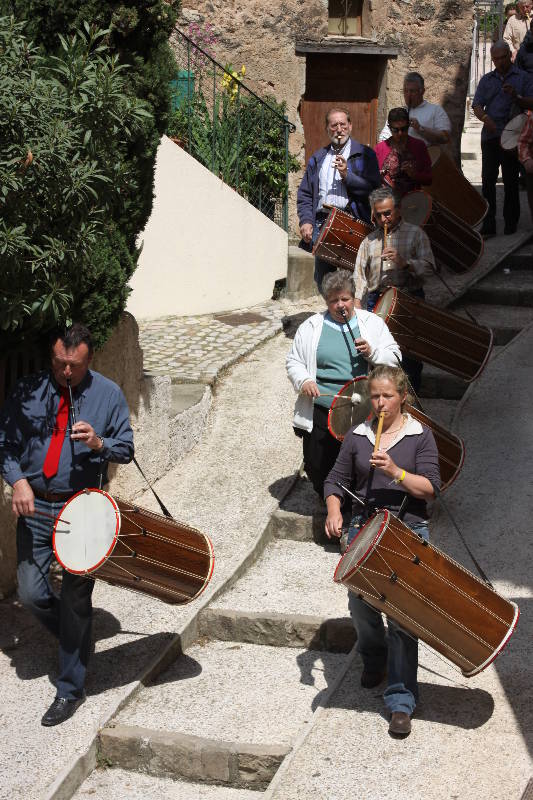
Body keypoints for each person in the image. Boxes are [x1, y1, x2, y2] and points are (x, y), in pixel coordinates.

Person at [0, 323, 134, 726]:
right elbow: (4, 444)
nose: (66, 372)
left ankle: (70, 688)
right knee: (31, 591)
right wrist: (18, 481)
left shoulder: (108, 394)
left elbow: (126, 449)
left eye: (74, 365)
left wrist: (99, 443)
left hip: (84, 509)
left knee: (76, 599)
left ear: (88, 359)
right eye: (59, 363)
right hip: (36, 506)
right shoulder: (28, 391)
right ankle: (76, 636)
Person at [324, 365, 441, 737]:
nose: (380, 403)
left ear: (402, 396)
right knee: (360, 605)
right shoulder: (358, 435)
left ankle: (401, 700)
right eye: (374, 396)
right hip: (365, 528)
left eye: (387, 396)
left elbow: (431, 489)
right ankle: (374, 657)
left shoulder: (419, 435)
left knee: (404, 617)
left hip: (408, 529)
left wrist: (395, 471)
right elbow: (335, 479)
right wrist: (333, 508)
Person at [286, 270, 400, 500]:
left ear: (353, 298)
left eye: (345, 299)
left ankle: (352, 508)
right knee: (317, 464)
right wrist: (305, 380)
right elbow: (294, 361)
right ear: (326, 301)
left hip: (363, 408)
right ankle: (327, 499)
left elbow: (395, 357)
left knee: (359, 462)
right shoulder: (311, 326)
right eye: (333, 300)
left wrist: (373, 352)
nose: (340, 305)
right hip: (322, 406)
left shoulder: (372, 323)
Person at [354, 186, 436, 392]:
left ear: (398, 210)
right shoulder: (368, 241)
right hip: (377, 301)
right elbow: (359, 278)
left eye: (388, 213)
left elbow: (429, 269)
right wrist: (356, 306)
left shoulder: (416, 234)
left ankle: (412, 406)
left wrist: (404, 263)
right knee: (378, 356)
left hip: (409, 299)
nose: (384, 220)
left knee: (410, 358)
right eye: (379, 215)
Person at [297, 107, 381, 290]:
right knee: (323, 279)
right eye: (334, 125)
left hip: (353, 220)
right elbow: (305, 194)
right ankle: (334, 314)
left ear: (350, 126)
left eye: (343, 124)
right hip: (322, 222)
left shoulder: (365, 155)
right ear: (327, 129)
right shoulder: (318, 158)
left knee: (355, 278)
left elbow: (374, 189)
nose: (339, 129)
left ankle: (353, 315)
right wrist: (305, 220)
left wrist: (347, 175)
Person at [472, 39, 533, 235]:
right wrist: (484, 117)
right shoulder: (487, 80)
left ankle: (510, 222)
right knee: (488, 181)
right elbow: (477, 104)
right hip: (490, 136)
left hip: (513, 138)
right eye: (495, 59)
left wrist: (517, 97)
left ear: (510, 56)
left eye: (502, 58)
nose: (499, 62)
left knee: (510, 181)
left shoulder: (523, 78)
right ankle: (489, 223)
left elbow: (531, 102)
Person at [378, 72, 452, 149]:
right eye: (405, 91)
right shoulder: (399, 112)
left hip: (425, 157)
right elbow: (384, 137)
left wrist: (420, 129)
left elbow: (445, 137)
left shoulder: (435, 110)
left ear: (422, 91)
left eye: (412, 91)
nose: (408, 95)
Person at [374, 108, 432, 196]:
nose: (400, 133)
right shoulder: (379, 149)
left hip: (413, 203)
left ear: (408, 125)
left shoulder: (419, 146)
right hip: (387, 203)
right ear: (389, 128)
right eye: (395, 130)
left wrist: (414, 174)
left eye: (404, 129)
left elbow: (429, 179)